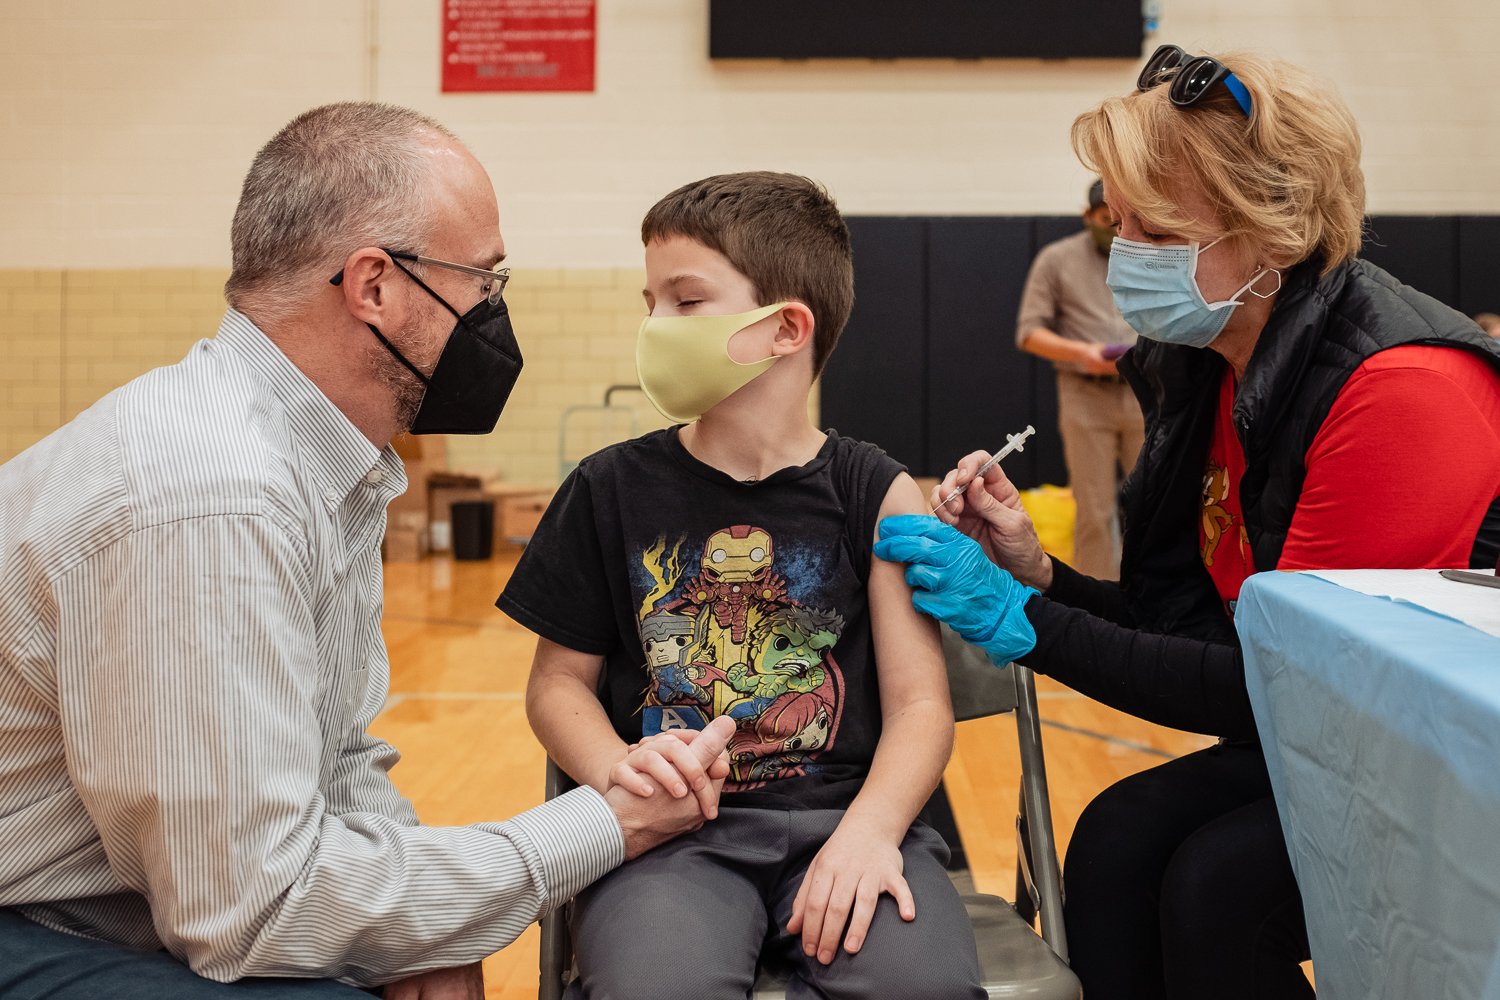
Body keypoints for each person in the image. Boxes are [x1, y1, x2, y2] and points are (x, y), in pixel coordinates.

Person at [0, 101, 735, 999]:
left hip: (120, 908)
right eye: (483, 281)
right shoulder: (212, 496)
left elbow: (335, 761)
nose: (494, 313)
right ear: (375, 286)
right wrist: (602, 825)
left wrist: (422, 933)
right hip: (35, 924)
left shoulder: (323, 459)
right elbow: (251, 911)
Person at [876, 46, 1500, 1000]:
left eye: (1156, 227)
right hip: (1343, 742)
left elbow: (1275, 687)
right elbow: (1199, 627)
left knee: (1215, 890)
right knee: (1117, 843)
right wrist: (1040, 574)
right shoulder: (1213, 362)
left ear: (1274, 230)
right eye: (1120, 221)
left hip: (1449, 770)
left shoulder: (1400, 391)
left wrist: (1022, 622)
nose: (1124, 251)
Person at [498, 172, 985, 1000]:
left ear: (785, 328)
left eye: (685, 303)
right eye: (649, 301)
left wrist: (870, 834)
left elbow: (919, 707)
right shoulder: (607, 489)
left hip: (852, 821)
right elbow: (556, 687)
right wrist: (621, 774)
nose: (655, 325)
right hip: (671, 837)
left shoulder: (878, 493)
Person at [1016, 179, 1143, 579]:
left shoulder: (1150, 252)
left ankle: (1156, 594)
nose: (1115, 231)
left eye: (1122, 222)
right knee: (1094, 508)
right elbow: (1029, 333)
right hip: (1085, 394)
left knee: (1154, 500)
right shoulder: (1056, 259)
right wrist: (1083, 355)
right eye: (1107, 221)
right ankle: (1101, 601)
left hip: (1145, 391)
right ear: (1087, 217)